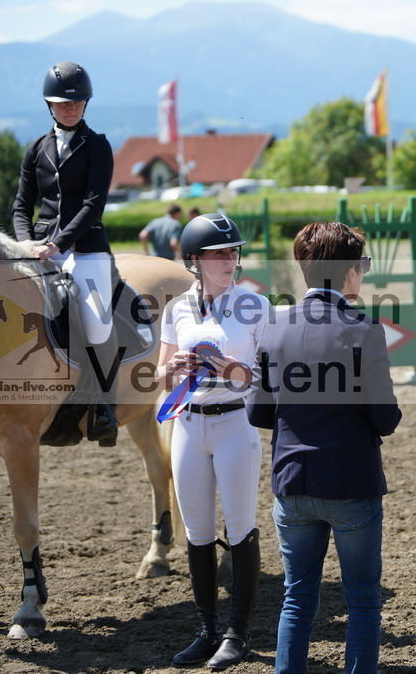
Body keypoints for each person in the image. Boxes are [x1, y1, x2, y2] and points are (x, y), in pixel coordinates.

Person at [248, 221, 401, 674]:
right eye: (364, 266)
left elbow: (259, 414)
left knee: (297, 597)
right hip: (352, 483)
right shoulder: (366, 330)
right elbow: (386, 419)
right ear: (350, 273)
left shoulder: (273, 329)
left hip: (292, 482)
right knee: (363, 600)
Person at [157, 213, 271, 670]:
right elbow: (160, 378)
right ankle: (206, 629)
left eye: (233, 252)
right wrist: (176, 367)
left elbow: (268, 378)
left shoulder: (256, 306)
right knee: (199, 532)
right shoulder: (176, 310)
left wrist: (232, 371)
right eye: (220, 253)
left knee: (240, 527)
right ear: (195, 261)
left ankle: (237, 634)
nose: (230, 259)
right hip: (188, 426)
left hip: (234, 425)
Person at [12, 60, 119, 446]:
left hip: (86, 248)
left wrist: (59, 243)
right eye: (62, 103)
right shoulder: (36, 150)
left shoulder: (97, 146)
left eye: (76, 103)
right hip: (39, 247)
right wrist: (24, 242)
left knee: (96, 323)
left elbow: (93, 206)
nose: (70, 109)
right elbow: (21, 207)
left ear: (85, 105)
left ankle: (103, 405)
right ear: (49, 105)